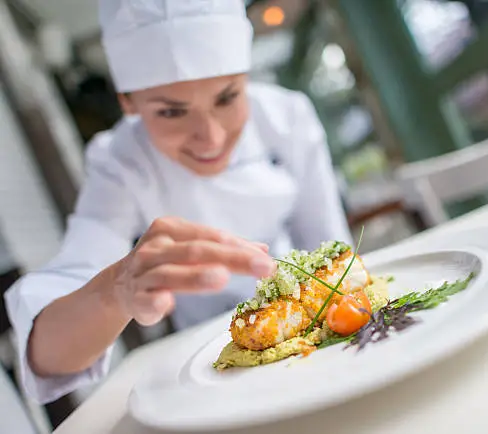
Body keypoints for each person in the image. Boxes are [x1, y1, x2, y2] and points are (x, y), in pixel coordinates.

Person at [5, 0, 351, 404]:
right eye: (171, 111)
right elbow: (45, 355)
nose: (212, 138)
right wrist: (117, 290)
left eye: (227, 98)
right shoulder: (120, 160)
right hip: (204, 365)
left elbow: (335, 256)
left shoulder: (287, 117)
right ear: (128, 103)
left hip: (309, 324)